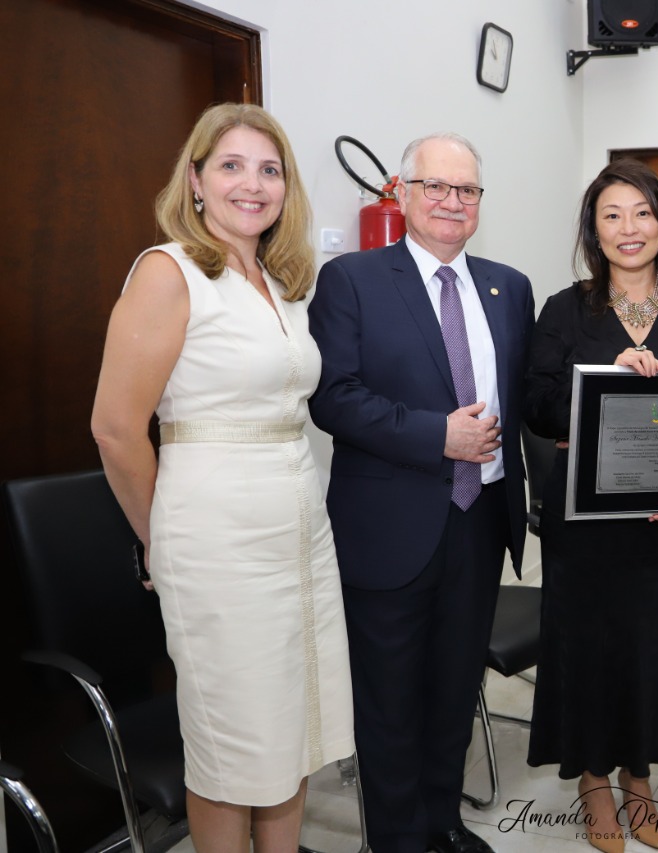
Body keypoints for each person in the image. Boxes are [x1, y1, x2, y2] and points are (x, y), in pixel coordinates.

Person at [91, 103, 354, 852]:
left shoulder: (279, 279)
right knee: (231, 742)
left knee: (292, 724)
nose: (253, 184)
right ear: (196, 180)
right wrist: (161, 540)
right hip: (214, 536)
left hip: (298, 525)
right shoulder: (168, 271)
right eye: (232, 166)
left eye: (269, 169)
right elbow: (115, 428)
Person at [307, 133, 534, 853]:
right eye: (435, 186)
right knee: (390, 699)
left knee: (454, 689)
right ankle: (398, 839)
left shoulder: (509, 286)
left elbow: (532, 397)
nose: (451, 201)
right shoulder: (352, 280)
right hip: (389, 525)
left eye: (466, 190)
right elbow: (334, 399)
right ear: (402, 194)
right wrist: (438, 435)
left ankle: (442, 820)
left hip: (481, 519)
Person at [525, 159, 658, 853]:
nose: (628, 228)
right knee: (588, 650)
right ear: (594, 229)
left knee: (651, 650)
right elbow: (537, 402)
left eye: (641, 212)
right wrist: (601, 379)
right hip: (585, 525)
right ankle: (591, 778)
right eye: (611, 215)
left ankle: (639, 775)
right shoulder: (566, 309)